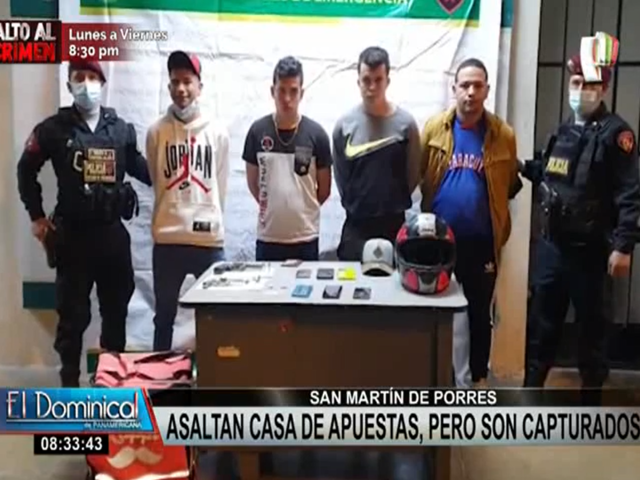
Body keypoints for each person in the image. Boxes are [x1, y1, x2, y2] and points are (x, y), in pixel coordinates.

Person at [16, 60, 152, 387]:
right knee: (72, 320)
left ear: (102, 84)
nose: (87, 84)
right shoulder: (53, 129)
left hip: (111, 236)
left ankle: (110, 387)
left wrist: (171, 171)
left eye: (93, 77)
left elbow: (144, 170)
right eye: (80, 78)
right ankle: (69, 390)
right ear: (69, 85)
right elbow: (26, 169)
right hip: (73, 238)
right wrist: (36, 216)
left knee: (116, 313)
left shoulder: (120, 129)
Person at [521, 49, 640, 393]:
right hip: (553, 248)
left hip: (591, 253)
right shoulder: (562, 130)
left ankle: (590, 405)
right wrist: (520, 167)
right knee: (541, 328)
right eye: (576, 82)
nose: (581, 90)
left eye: (589, 85)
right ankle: (528, 398)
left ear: (603, 89)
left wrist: (623, 246)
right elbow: (550, 174)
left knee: (592, 332)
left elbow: (630, 192)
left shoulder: (617, 134)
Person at [419, 58, 521, 388]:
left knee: (479, 313)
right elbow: (420, 174)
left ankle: (478, 380)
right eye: (465, 85)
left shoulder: (503, 135)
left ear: (487, 90)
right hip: (438, 241)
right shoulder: (434, 129)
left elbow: (509, 185)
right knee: (435, 311)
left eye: (478, 85)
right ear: (454, 89)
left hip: (481, 242)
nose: (471, 92)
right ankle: (437, 380)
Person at [147, 51, 230, 351]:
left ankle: (217, 373)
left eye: (187, 81)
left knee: (217, 317)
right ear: (169, 87)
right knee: (164, 318)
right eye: (175, 82)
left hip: (208, 241)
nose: (181, 89)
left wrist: (209, 215)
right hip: (168, 239)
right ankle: (158, 375)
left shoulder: (217, 132)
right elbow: (157, 180)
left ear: (199, 86)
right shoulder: (156, 132)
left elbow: (220, 184)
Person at [333, 46, 421, 261]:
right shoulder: (344, 126)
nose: (372, 87)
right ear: (358, 82)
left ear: (387, 81)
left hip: (394, 225)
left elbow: (412, 175)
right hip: (357, 226)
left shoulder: (406, 125)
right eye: (366, 80)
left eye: (378, 80)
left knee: (396, 282)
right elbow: (342, 178)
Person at [243, 56, 332, 261]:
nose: (287, 98)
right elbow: (253, 184)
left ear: (302, 93)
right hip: (268, 238)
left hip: (306, 238)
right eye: (281, 90)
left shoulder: (316, 134)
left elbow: (324, 190)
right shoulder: (257, 131)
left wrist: (302, 210)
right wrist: (272, 206)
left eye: (293, 91)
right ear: (272, 91)